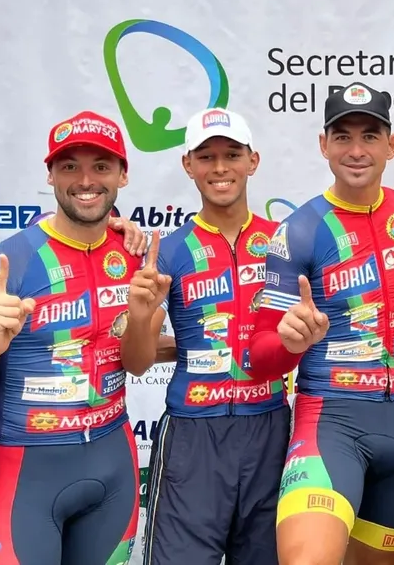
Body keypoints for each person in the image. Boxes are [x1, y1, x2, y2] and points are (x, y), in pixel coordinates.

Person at [0, 111, 149, 565]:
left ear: (123, 176)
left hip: (114, 465)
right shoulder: (0, 264)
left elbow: (138, 363)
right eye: (69, 166)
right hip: (24, 474)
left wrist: (144, 319)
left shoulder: (135, 255)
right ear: (49, 174)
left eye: (101, 166)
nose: (85, 180)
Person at [258, 83, 394, 565]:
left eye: (370, 136)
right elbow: (259, 355)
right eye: (343, 136)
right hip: (331, 422)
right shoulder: (299, 230)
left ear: (392, 145)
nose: (356, 150)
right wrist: (291, 343)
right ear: (323, 144)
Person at [120, 107, 292, 565]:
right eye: (206, 156)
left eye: (232, 154)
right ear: (188, 165)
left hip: (270, 426)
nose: (220, 168)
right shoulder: (170, 251)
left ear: (252, 160)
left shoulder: (283, 243)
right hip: (193, 435)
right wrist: (140, 315)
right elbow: (136, 363)